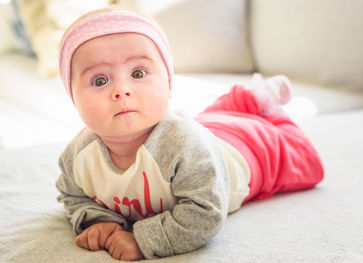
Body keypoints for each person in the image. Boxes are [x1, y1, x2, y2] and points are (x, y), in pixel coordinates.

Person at [56, 6, 324, 261]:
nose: (122, 90)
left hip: (240, 151)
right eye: (100, 80)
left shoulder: (185, 144)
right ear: (72, 98)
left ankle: (265, 104)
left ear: (168, 84)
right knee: (210, 120)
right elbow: (73, 195)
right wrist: (99, 220)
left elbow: (205, 214)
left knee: (296, 153)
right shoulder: (77, 158)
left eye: (138, 73)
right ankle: (245, 100)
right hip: (205, 129)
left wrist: (143, 240)